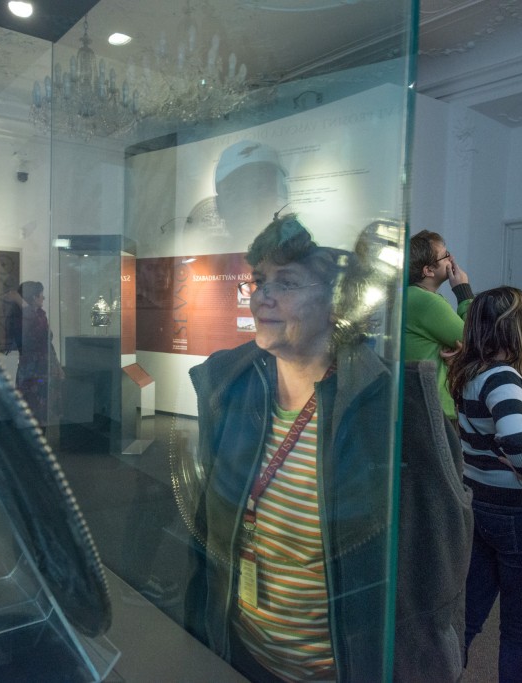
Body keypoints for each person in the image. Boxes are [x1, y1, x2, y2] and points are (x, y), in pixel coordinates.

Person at [184, 213, 393, 681]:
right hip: (241, 655)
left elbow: (426, 567)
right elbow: (208, 533)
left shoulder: (379, 406)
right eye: (260, 281)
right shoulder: (231, 390)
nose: (264, 296)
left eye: (288, 283)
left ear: (336, 302)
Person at [447, 286, 522, 682]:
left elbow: (505, 438)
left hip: (482, 506)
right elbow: (518, 441)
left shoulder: (470, 371)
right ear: (512, 326)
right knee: (521, 633)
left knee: (466, 619)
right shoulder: (503, 377)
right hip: (521, 514)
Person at [405, 230, 474, 427]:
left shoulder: (411, 295)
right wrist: (463, 291)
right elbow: (478, 338)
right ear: (428, 270)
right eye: (446, 255)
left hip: (417, 403)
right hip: (433, 407)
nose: (452, 259)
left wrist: (462, 352)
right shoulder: (425, 301)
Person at [5, 281, 64, 433]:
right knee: (30, 407)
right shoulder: (25, 318)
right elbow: (32, 326)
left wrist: (56, 365)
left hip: (42, 368)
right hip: (31, 369)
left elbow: (47, 343)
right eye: (41, 295)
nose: (43, 298)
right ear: (33, 297)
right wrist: (19, 300)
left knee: (43, 409)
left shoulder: (40, 315)